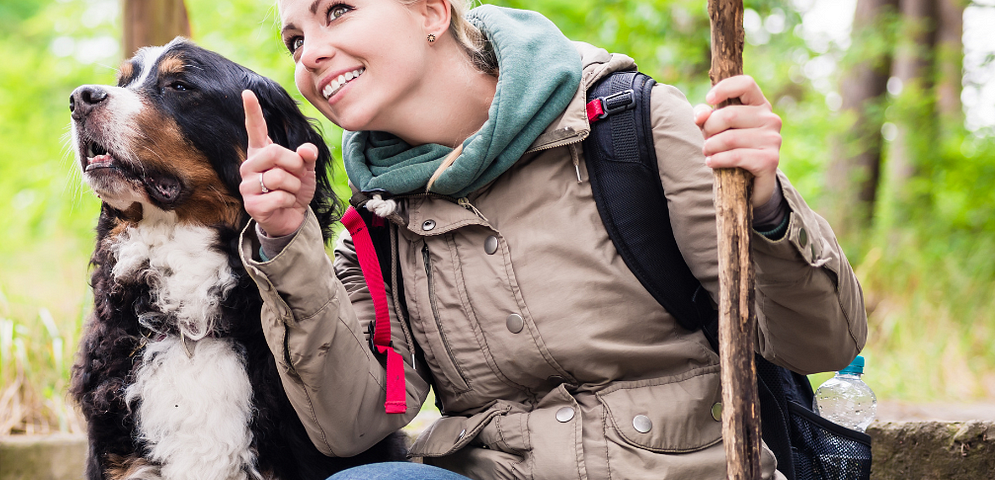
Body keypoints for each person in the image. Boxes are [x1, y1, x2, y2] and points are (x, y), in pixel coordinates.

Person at [234, 0, 868, 479]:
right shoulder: (374, 222)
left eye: (337, 11)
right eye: (294, 39)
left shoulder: (632, 127)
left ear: (430, 10)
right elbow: (354, 424)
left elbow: (823, 340)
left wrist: (764, 208)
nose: (309, 54)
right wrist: (290, 248)